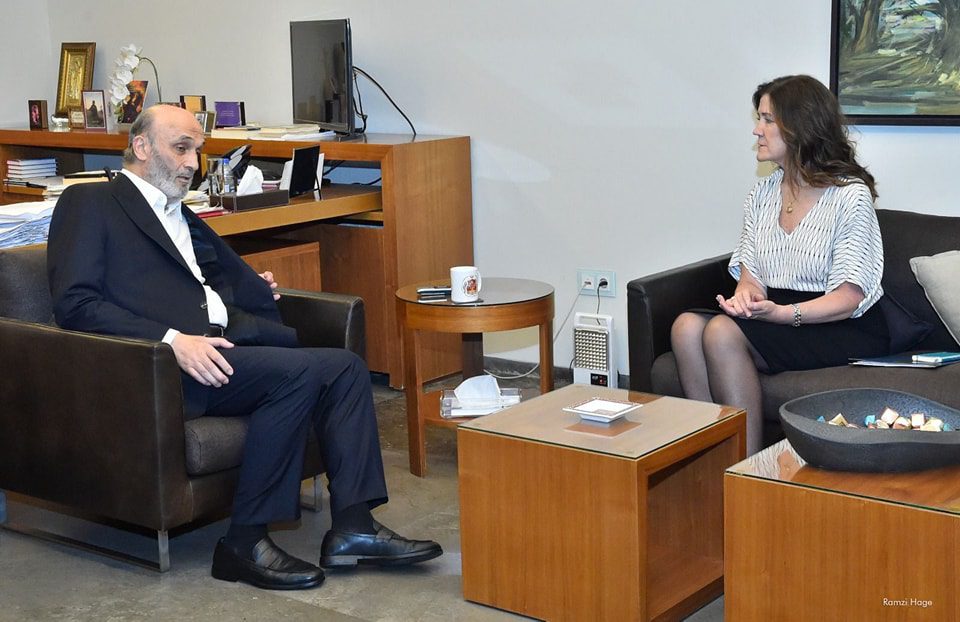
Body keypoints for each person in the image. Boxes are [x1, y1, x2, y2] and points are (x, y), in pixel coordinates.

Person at [47, 104, 441, 590]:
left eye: (197, 151)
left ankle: (354, 527)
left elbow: (201, 283)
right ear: (142, 146)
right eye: (181, 148)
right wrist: (172, 342)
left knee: (345, 368)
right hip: (157, 368)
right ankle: (243, 541)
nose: (192, 163)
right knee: (298, 374)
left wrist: (252, 292)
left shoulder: (179, 212)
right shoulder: (90, 203)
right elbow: (76, 305)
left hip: (219, 350)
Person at [670, 75, 890, 455]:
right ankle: (712, 460)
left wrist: (783, 314)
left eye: (767, 119)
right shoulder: (764, 191)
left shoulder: (848, 195)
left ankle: (749, 469)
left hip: (840, 323)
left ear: (799, 126)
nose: (756, 130)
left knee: (721, 333)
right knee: (686, 328)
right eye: (759, 118)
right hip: (778, 312)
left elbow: (849, 297)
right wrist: (747, 298)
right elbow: (750, 276)